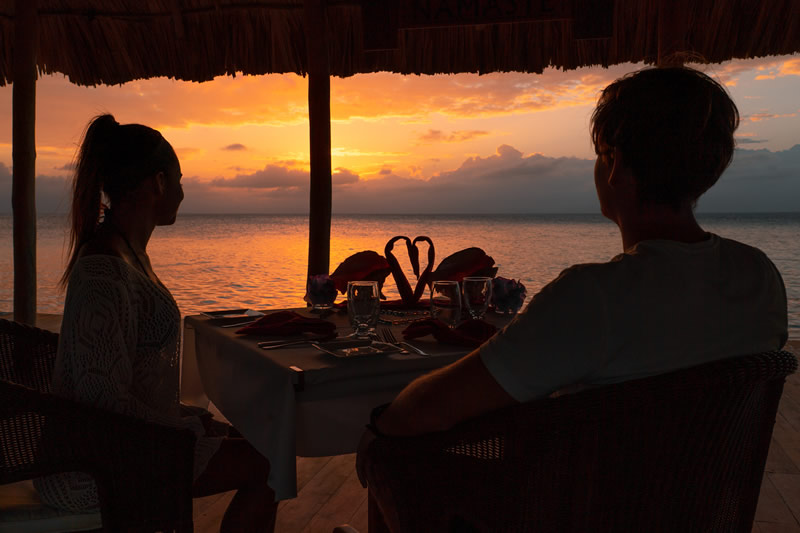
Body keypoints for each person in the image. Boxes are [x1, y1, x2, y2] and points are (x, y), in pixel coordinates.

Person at [372, 66, 789, 437]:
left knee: (386, 445)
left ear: (616, 164)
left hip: (577, 509)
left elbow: (420, 414)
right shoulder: (759, 275)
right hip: (704, 507)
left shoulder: (593, 297)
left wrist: (378, 422)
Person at [33, 114, 278, 532]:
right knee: (269, 466)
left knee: (265, 445)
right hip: (94, 466)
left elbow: (126, 381)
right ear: (158, 183)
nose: (183, 193)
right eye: (180, 180)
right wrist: (179, 424)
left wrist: (183, 414)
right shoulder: (103, 275)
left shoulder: (128, 255)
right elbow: (102, 400)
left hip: (136, 440)